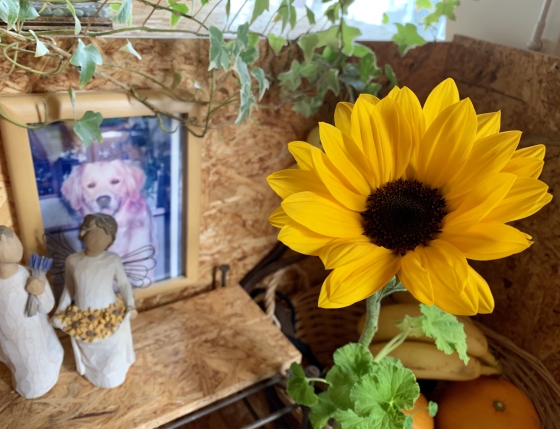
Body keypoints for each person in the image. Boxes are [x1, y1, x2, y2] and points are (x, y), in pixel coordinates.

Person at [53, 213, 137, 388]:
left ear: (111, 240)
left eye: (105, 235)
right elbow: (69, 289)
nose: (99, 240)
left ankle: (115, 371)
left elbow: (123, 284)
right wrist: (60, 312)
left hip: (110, 317)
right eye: (94, 233)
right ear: (84, 233)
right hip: (84, 319)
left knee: (113, 354)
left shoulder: (112, 259)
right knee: (92, 353)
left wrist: (130, 305)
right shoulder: (73, 261)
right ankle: (95, 372)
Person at [0, 226, 63, 398]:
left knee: (36, 374)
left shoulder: (31, 273)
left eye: (11, 237)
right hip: (9, 342)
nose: (7, 241)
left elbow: (47, 307)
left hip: (37, 339)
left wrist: (40, 292)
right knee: (22, 371)